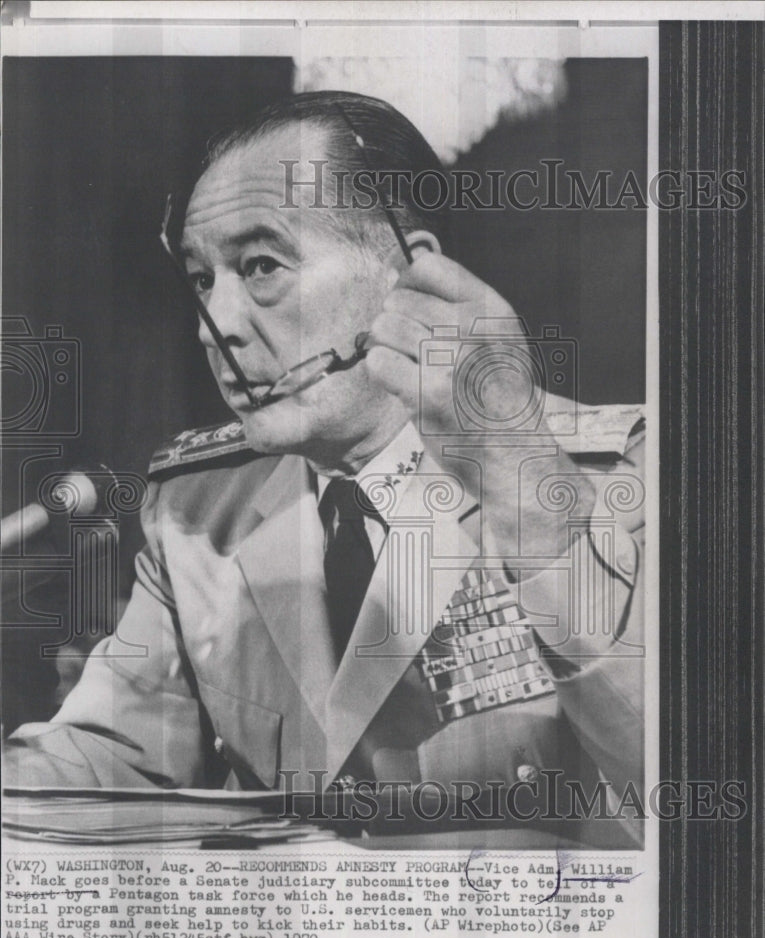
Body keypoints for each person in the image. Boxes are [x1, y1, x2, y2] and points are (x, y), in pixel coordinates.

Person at [4, 91, 645, 846]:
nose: (221, 327)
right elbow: (102, 761)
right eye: (203, 280)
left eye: (261, 266)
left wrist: (521, 481)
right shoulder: (197, 508)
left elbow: (691, 792)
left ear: (412, 275)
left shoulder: (618, 476)